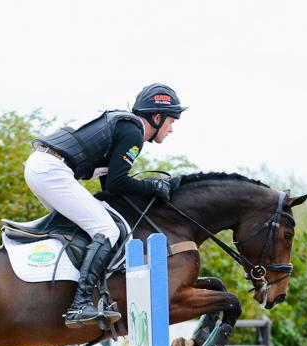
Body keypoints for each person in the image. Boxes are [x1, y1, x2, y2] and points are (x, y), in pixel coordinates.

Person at [24, 83, 187, 328]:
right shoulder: (133, 132)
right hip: (52, 171)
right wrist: (152, 186)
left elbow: (110, 189)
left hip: (43, 166)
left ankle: (63, 291)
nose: (171, 129)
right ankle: (79, 303)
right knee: (107, 231)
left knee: (88, 227)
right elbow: (118, 181)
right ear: (156, 117)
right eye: (171, 121)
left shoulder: (123, 126)